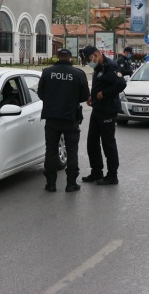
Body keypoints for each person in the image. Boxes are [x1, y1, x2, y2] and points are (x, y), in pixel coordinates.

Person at [38, 48, 90, 193]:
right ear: (70, 58)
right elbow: (85, 96)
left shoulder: (47, 72)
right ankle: (71, 184)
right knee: (72, 151)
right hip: (70, 118)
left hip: (52, 118)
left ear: (57, 57)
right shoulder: (78, 73)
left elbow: (41, 94)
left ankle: (51, 184)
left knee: (51, 150)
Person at [79, 46, 126, 185]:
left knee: (108, 143)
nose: (89, 63)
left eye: (89, 60)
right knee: (92, 142)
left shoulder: (111, 66)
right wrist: (91, 96)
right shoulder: (99, 67)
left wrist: (104, 93)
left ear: (95, 55)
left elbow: (121, 84)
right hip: (97, 108)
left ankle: (112, 175)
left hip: (108, 109)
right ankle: (96, 172)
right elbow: (99, 84)